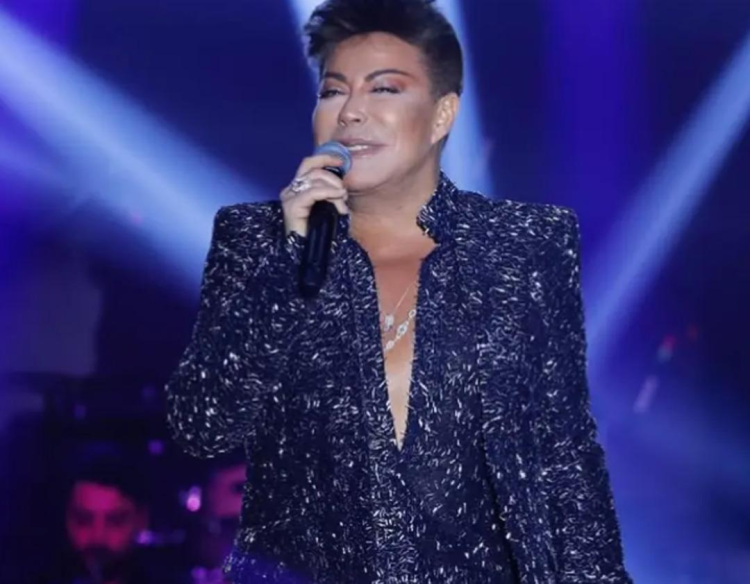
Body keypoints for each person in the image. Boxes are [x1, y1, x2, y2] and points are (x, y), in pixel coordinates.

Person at [165, 0, 632, 582]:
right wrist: (288, 262)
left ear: (442, 115)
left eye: (383, 88)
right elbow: (202, 424)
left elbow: (566, 456)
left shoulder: (524, 245)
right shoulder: (255, 240)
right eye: (333, 91)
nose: (351, 111)